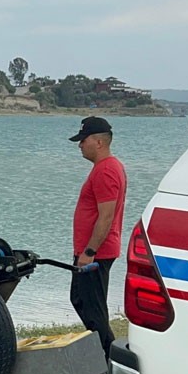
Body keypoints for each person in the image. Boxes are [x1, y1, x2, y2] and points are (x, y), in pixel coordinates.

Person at [68, 116, 126, 359]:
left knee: (93, 309)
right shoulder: (103, 169)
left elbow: (106, 217)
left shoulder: (106, 171)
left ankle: (110, 359)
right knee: (80, 299)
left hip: (95, 253)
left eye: (83, 140)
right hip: (90, 251)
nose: (79, 145)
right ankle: (103, 354)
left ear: (99, 141)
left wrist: (89, 252)